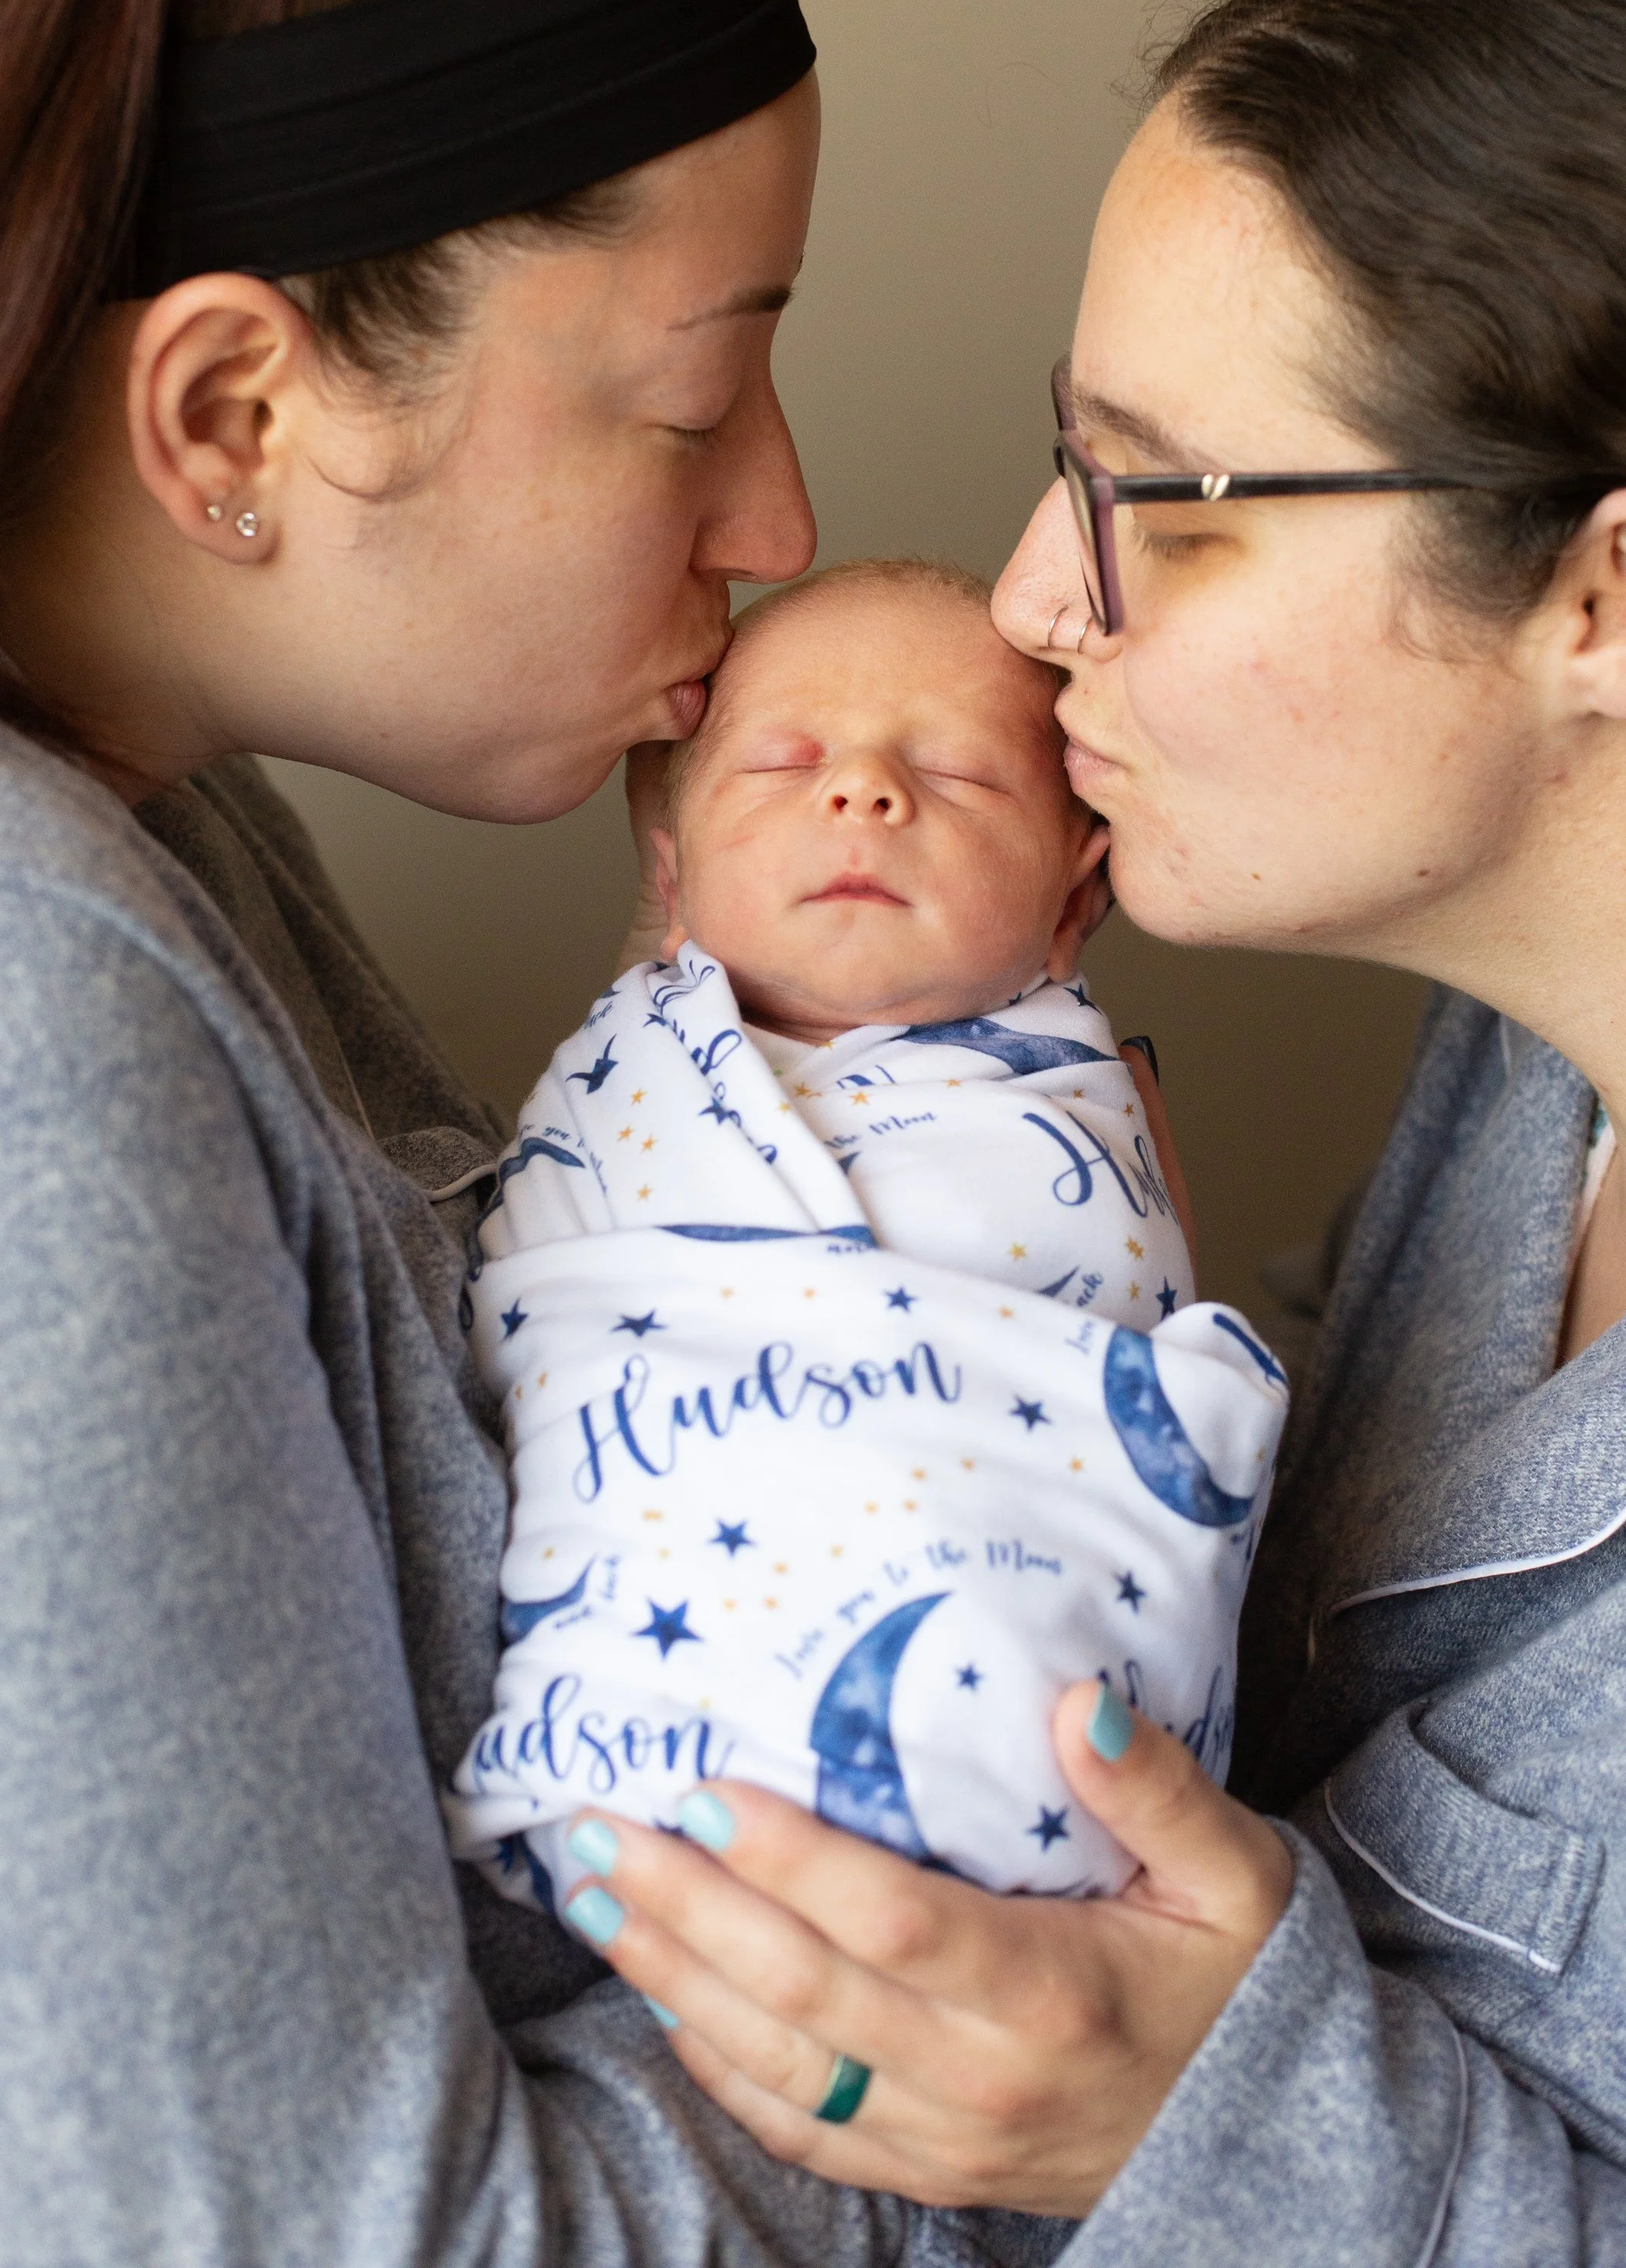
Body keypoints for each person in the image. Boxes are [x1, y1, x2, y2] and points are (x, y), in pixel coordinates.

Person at [552, 0, 1626, 2263]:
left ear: (1612, 598)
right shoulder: (1534, 1050)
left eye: (1161, 507)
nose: (1030, 599)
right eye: (1061, 467)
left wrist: (1217, 2130)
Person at [0, 0, 1052, 2266]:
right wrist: (1041, 2057)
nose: (778, 518)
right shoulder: (37, 1020)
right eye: (698, 398)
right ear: (238, 412)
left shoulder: (157, 801)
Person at [442, 559, 1275, 1919]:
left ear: (1074, 904)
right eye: (785, 761)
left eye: (958, 774)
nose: (864, 790)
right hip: (648, 1700)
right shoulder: (633, 1077)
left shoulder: (1070, 1112)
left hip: (1027, 1718)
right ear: (673, 876)